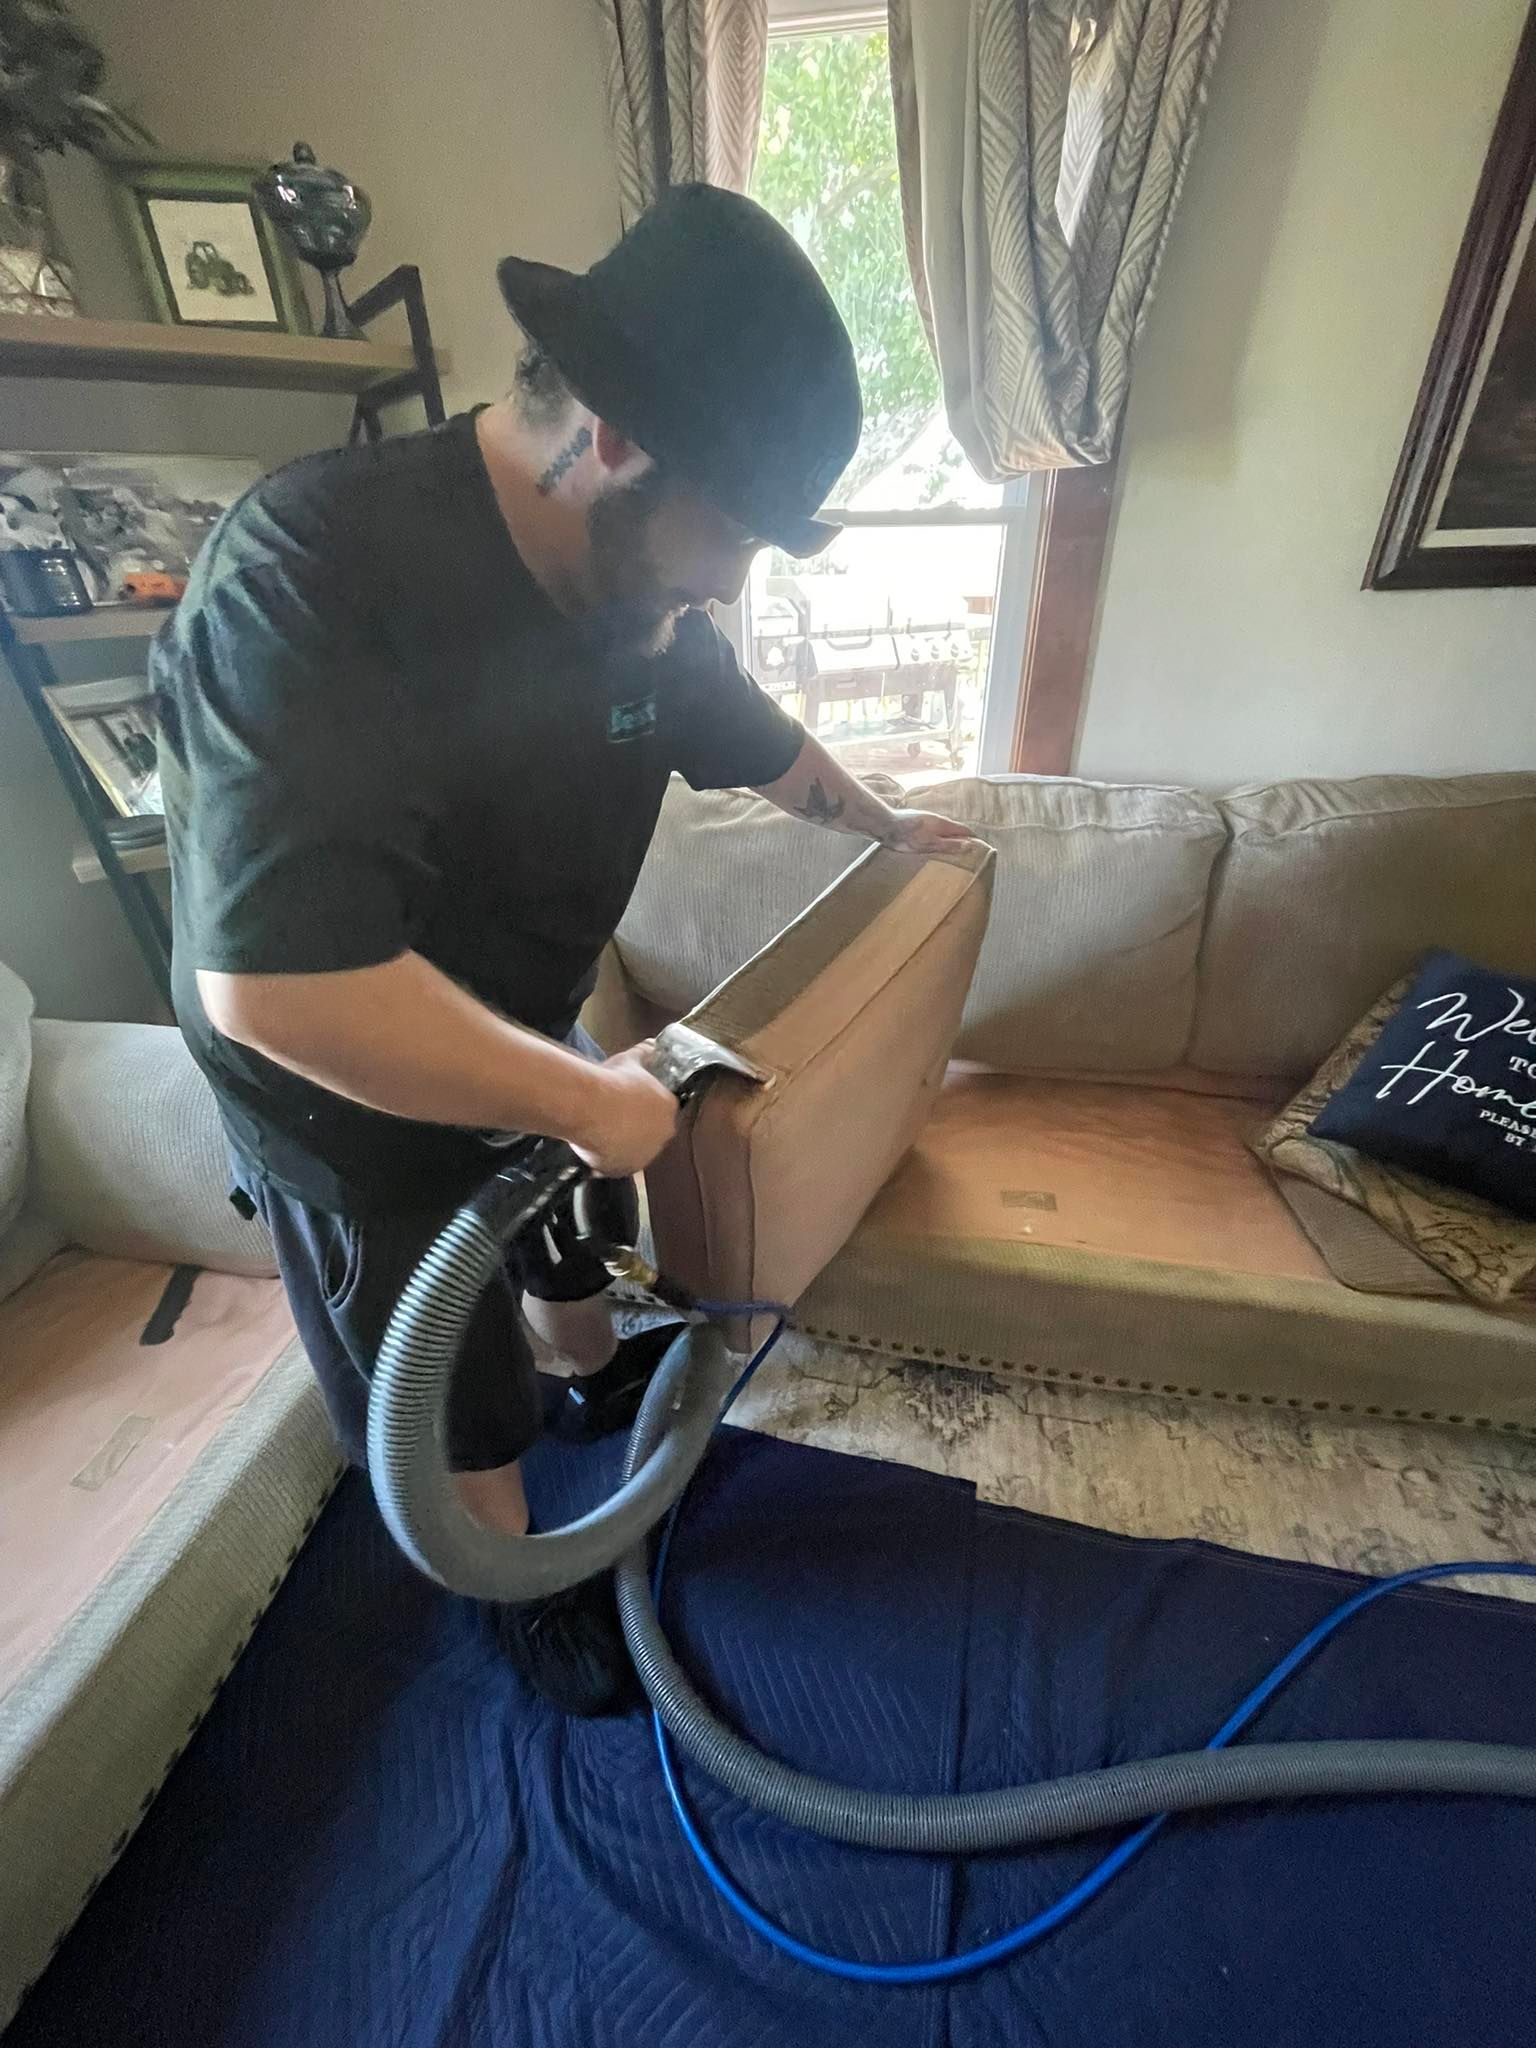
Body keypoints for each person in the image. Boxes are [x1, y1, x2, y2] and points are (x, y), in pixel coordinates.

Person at [153, 183, 968, 1717]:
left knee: (567, 1234)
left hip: (520, 1010)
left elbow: (757, 738)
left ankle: (589, 1375)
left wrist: (887, 826)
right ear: (606, 439)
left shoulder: (638, 596)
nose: (725, 583)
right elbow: (272, 981)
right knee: (455, 1383)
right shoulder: (314, 577)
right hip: (346, 1084)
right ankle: (514, 1592)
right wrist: (590, 1104)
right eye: (723, 536)